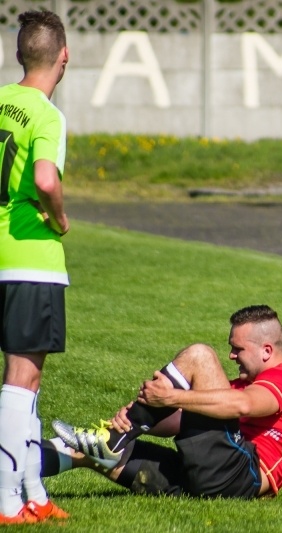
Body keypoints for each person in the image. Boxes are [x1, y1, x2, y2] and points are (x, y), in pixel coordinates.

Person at [49, 305, 282, 499]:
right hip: (208, 476)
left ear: (267, 350)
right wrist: (133, 420)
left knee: (200, 356)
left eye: (238, 348)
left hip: (240, 477)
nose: (231, 356)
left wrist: (170, 397)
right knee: (83, 452)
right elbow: (180, 420)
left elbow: (243, 404)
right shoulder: (239, 386)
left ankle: (111, 441)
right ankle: (24, 483)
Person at [0, 10, 70, 525]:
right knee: (20, 382)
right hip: (30, 260)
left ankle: (33, 493)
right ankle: (6, 501)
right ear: (64, 56)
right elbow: (45, 179)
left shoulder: (1, 100)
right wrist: (60, 218)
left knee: (27, 383)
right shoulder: (47, 115)